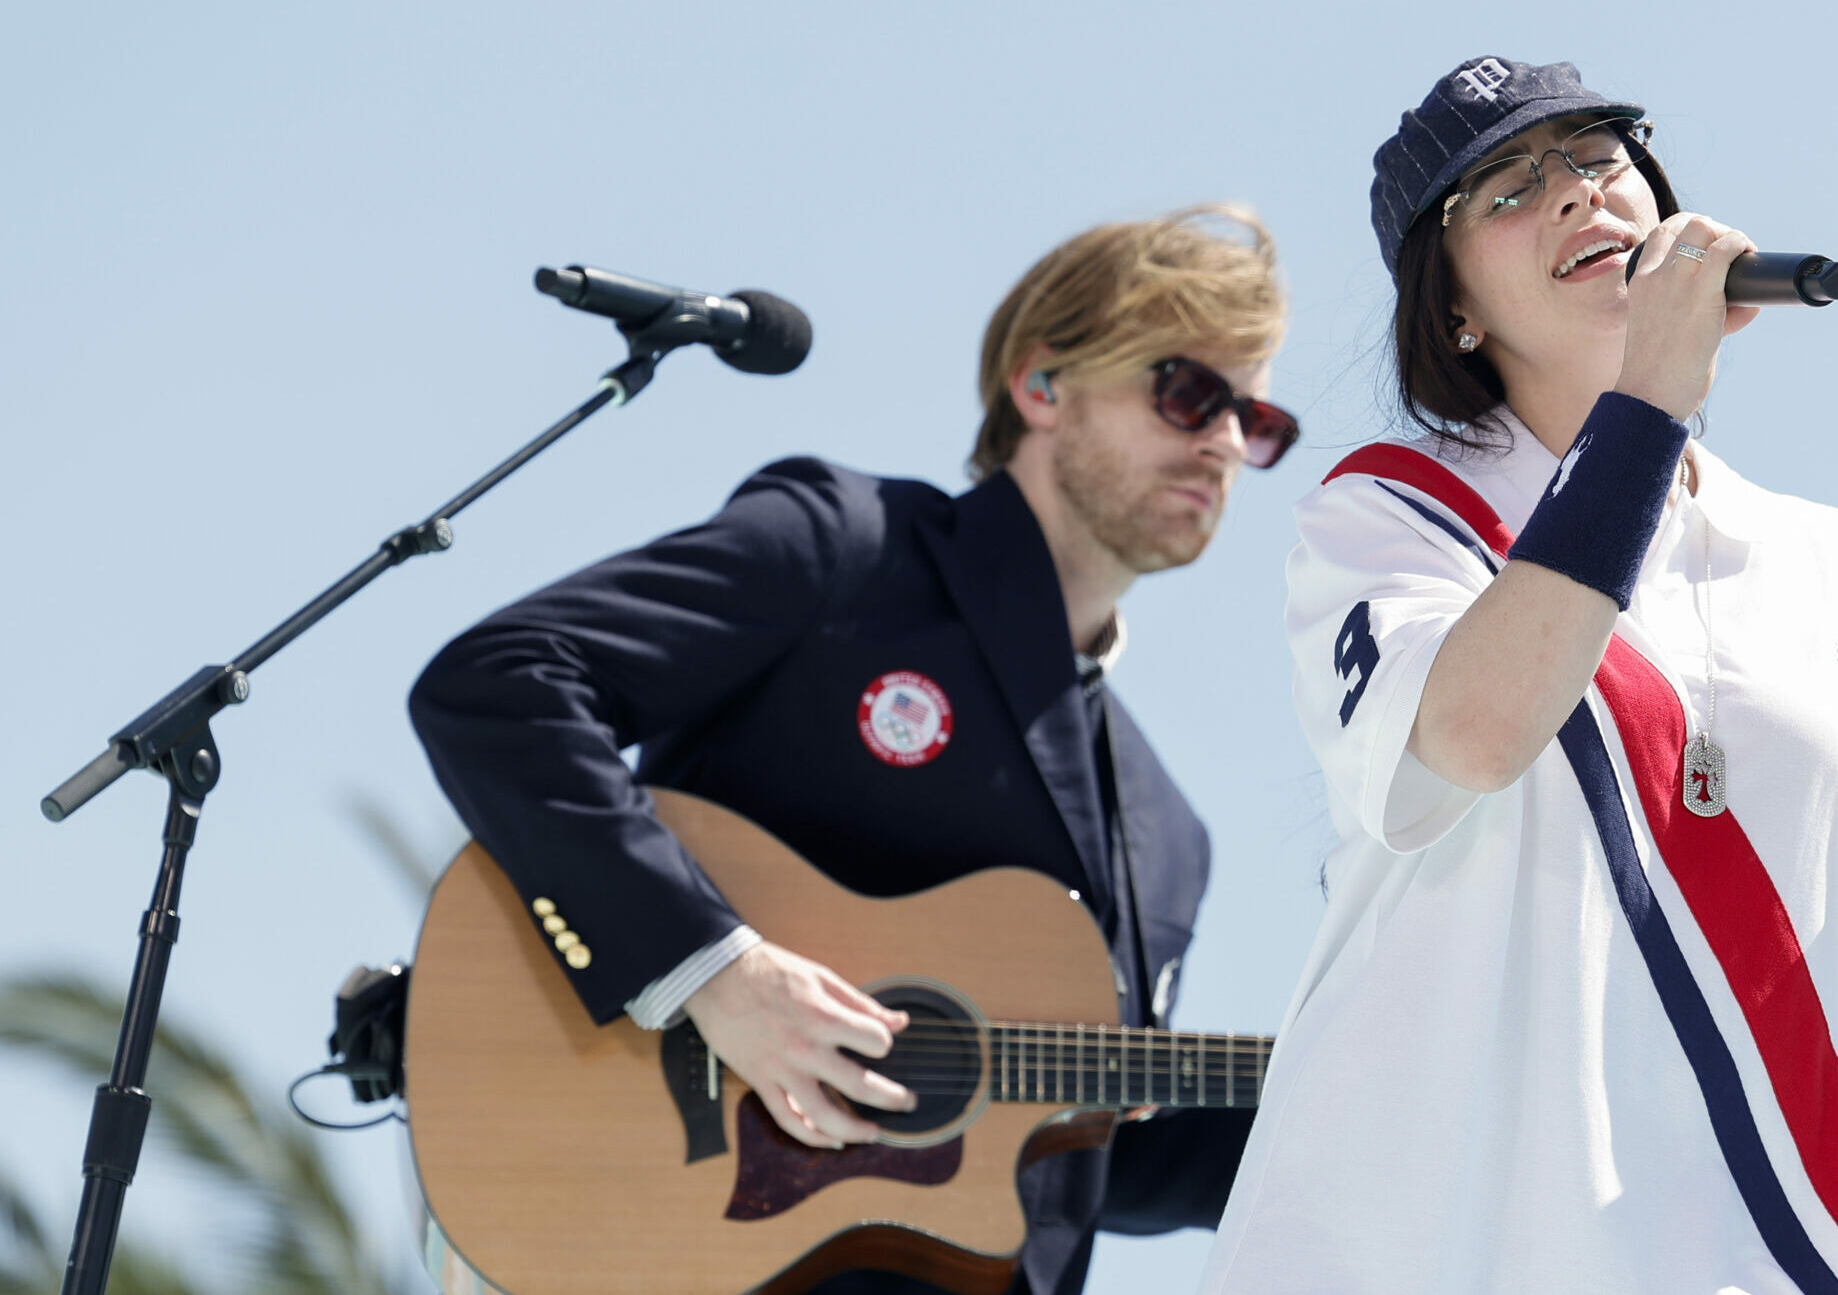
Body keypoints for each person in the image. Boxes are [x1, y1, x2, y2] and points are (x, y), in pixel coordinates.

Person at [1200, 59, 1838, 1295]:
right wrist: (1649, 399)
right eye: (1506, 187)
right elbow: (1474, 730)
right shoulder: (1396, 514)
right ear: (1452, 308)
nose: (1573, 196)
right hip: (1434, 1250)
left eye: (1600, 157)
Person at [408, 205, 1301, 1295]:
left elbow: (1082, 1149)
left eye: (1253, 421)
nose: (1221, 441)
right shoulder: (845, 549)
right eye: (1188, 392)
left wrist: (1353, 1116)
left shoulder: (1170, 837)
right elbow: (500, 684)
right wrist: (715, 970)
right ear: (1042, 385)